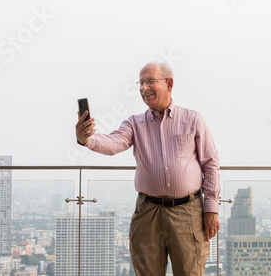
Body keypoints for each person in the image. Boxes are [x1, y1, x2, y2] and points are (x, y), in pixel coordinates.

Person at [75, 61, 220, 276]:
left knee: (190, 272)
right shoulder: (135, 123)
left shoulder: (193, 119)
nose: (143, 88)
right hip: (148, 212)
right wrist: (86, 139)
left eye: (150, 81)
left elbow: (211, 163)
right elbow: (114, 144)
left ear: (169, 84)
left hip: (188, 212)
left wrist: (211, 209)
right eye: (141, 83)